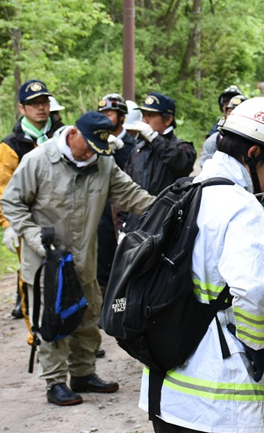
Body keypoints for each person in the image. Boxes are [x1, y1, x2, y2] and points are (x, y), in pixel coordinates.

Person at [138, 98, 264, 433]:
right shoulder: (241, 206)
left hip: (166, 388)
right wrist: (256, 349)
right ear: (254, 154)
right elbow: (257, 292)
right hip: (219, 396)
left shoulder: (186, 190)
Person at [0, 111, 155, 406]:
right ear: (73, 134)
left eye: (99, 149)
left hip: (84, 259)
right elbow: (11, 201)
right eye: (89, 147)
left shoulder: (102, 162)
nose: (91, 154)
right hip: (47, 262)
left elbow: (130, 194)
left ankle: (83, 373)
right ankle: (55, 382)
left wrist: (166, 207)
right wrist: (32, 235)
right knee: (53, 320)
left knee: (87, 316)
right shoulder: (38, 161)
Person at [1, 79, 56, 321]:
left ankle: (69, 333)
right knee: (31, 278)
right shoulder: (11, 145)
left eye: (44, 102)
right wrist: (8, 224)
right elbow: (3, 188)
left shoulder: (62, 135)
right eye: (34, 103)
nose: (40, 107)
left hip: (62, 215)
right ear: (22, 108)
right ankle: (36, 332)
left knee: (69, 274)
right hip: (28, 221)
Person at [123, 92, 196, 232]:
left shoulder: (182, 148)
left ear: (168, 120)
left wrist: (154, 137)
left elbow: (181, 163)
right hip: (135, 227)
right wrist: (123, 224)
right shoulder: (138, 149)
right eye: (143, 115)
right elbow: (125, 185)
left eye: (150, 115)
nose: (144, 120)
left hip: (164, 227)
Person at [96, 94, 138, 294]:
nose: (105, 118)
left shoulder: (133, 145)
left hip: (125, 208)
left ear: (122, 117)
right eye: (102, 113)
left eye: (110, 113)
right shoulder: (96, 143)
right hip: (102, 208)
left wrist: (119, 152)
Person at [198, 94, 245, 168]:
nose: (233, 116)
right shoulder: (214, 141)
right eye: (230, 112)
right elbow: (206, 167)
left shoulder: (255, 143)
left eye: (239, 113)